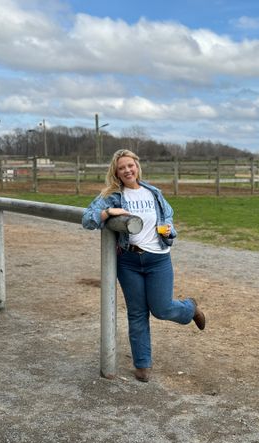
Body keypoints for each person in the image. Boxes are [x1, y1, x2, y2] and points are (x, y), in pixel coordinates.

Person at [82, 149, 205, 383]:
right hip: (128, 261)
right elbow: (87, 219)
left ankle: (190, 308)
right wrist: (108, 212)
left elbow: (168, 219)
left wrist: (170, 231)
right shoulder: (112, 195)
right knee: (137, 313)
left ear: (137, 167)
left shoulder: (153, 193)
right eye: (121, 168)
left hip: (158, 259)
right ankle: (142, 364)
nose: (127, 170)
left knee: (162, 309)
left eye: (131, 165)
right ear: (116, 172)